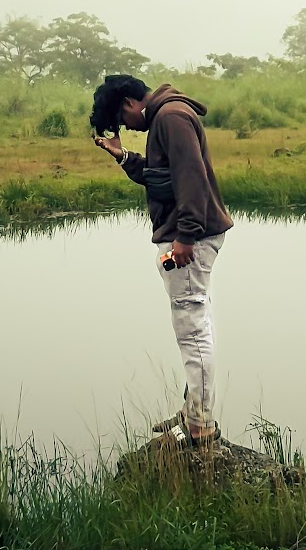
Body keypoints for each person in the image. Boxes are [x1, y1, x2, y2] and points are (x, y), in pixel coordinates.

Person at [91, 74, 233, 447]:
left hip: (191, 239)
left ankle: (200, 425)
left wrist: (185, 235)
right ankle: (193, 410)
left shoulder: (169, 118)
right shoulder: (168, 116)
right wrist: (122, 156)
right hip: (190, 235)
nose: (128, 127)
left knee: (192, 329)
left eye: (123, 121)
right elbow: (162, 179)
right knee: (195, 323)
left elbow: (192, 180)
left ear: (128, 103)